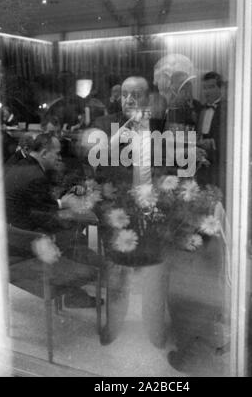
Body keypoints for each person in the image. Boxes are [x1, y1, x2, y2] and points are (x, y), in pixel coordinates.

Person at [95, 76, 169, 347]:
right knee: (117, 271)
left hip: (154, 211)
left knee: (155, 273)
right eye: (125, 94)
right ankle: (114, 324)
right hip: (119, 212)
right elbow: (97, 163)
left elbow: (172, 166)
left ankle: (154, 329)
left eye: (136, 94)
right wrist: (124, 131)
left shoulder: (162, 126)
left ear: (148, 98)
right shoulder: (105, 125)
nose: (129, 99)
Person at [5, 132, 104, 307]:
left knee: (73, 232)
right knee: (74, 235)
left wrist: (60, 203)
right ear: (43, 153)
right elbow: (47, 215)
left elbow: (38, 205)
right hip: (27, 243)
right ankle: (76, 290)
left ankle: (77, 286)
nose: (59, 157)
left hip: (11, 238)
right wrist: (67, 207)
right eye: (56, 153)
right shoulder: (36, 175)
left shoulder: (20, 165)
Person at [197, 71, 227, 197]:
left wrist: (212, 143)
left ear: (220, 88)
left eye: (211, 87)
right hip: (201, 162)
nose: (207, 92)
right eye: (204, 88)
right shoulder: (200, 109)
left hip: (218, 164)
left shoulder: (227, 109)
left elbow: (229, 137)